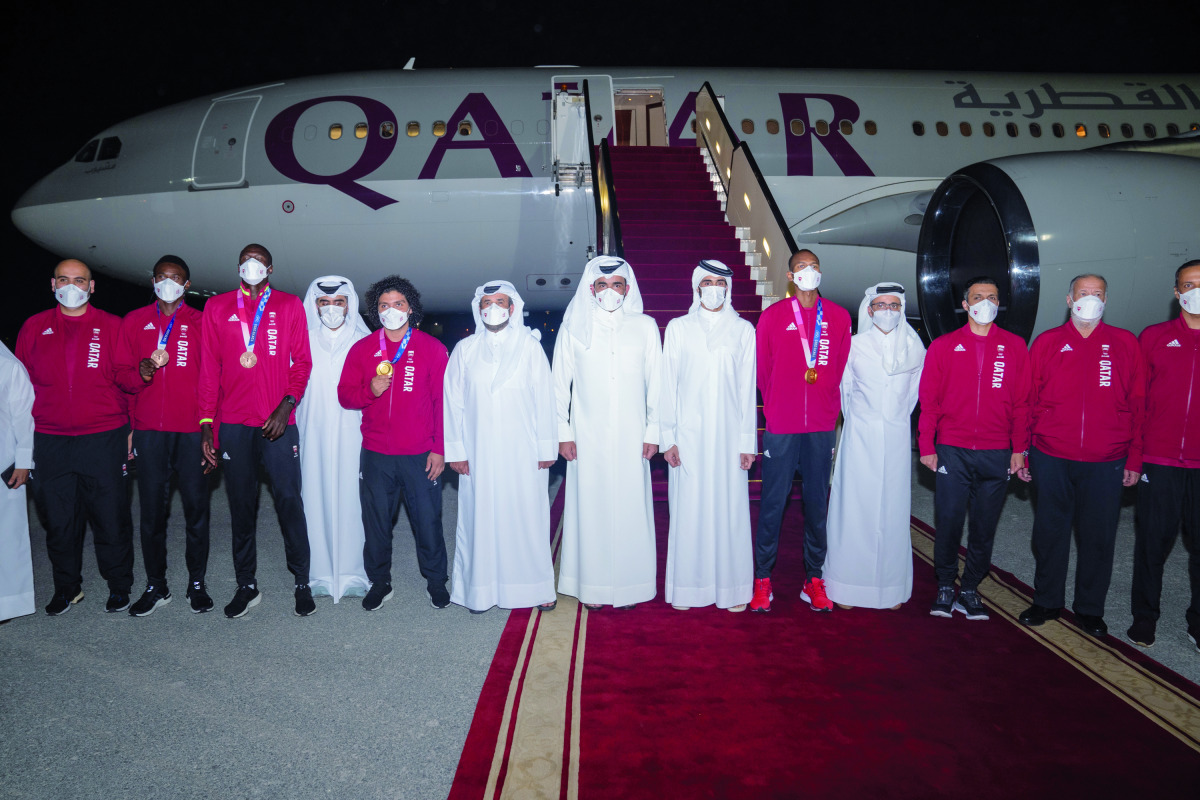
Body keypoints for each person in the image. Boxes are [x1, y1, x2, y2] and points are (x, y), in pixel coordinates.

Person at [1014, 274, 1145, 637]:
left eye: (1097, 293)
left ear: (1107, 299)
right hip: (1051, 454)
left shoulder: (1123, 343)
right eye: (1083, 293)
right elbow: (1027, 400)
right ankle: (1047, 601)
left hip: (1107, 459)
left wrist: (1135, 458)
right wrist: (1021, 450)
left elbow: (1138, 403)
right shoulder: (1048, 342)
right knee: (1049, 533)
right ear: (1069, 299)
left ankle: (1090, 609)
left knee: (1098, 537)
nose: (1091, 298)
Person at [198, 244, 315, 618]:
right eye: (247, 261)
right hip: (234, 424)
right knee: (241, 506)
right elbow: (208, 372)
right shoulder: (216, 308)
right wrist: (206, 427)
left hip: (278, 423)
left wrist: (286, 405)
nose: (253, 266)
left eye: (260, 262)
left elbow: (303, 364)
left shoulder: (289, 305)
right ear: (238, 267)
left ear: (270, 269)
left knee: (288, 501)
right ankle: (246, 585)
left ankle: (302, 581)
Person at [15, 259, 135, 615]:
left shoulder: (112, 326)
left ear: (91, 286)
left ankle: (118, 585)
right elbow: (19, 391)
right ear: (53, 284)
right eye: (64, 280)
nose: (72, 286)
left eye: (79, 280)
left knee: (110, 516)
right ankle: (67, 588)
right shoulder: (34, 327)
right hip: (50, 440)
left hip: (103, 436)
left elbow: (129, 382)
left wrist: (132, 429)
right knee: (58, 519)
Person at [918, 276, 1030, 621]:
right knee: (949, 521)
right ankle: (945, 584)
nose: (986, 303)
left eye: (992, 297)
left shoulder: (1014, 346)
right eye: (978, 297)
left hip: (997, 451)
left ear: (999, 304)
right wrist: (926, 444)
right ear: (965, 305)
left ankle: (970, 587)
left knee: (984, 525)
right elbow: (930, 401)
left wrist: (1019, 448)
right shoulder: (944, 346)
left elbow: (1023, 403)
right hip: (952, 448)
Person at [553, 255, 661, 610]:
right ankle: (594, 588)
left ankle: (630, 586)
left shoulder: (645, 326)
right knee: (591, 509)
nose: (610, 291)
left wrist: (653, 430)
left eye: (617, 285)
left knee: (631, 509)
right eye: (603, 285)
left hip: (633, 435)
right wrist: (562, 431)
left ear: (627, 289)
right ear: (591, 289)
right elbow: (559, 386)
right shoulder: (574, 327)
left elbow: (656, 383)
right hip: (587, 436)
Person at [444, 280, 558, 613]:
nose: (493, 307)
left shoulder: (529, 346)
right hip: (477, 450)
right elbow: (453, 404)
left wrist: (546, 448)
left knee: (526, 518)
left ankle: (536, 589)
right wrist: (457, 451)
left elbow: (545, 400)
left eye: (501, 301)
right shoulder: (464, 349)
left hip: (523, 450)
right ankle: (479, 591)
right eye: (487, 302)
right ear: (479, 309)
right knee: (480, 518)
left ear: (512, 307)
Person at [338, 276, 450, 611]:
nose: (391, 311)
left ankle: (436, 581)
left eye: (398, 304)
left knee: (427, 520)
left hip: (420, 453)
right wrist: (369, 391)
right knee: (375, 522)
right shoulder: (362, 348)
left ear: (410, 308)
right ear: (376, 311)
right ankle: (380, 582)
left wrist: (440, 448)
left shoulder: (431, 348)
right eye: (384, 306)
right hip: (376, 454)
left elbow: (442, 403)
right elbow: (345, 396)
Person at [752, 249, 851, 613]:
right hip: (782, 427)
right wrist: (779, 407)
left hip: (821, 429)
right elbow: (763, 373)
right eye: (801, 268)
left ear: (820, 273)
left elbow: (838, 369)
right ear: (791, 277)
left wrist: (825, 407)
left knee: (816, 506)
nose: (808, 272)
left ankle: (814, 578)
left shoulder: (838, 318)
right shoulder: (773, 317)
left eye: (813, 267)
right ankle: (763, 579)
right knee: (773, 505)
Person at [113, 256, 212, 616]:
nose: (167, 282)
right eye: (161, 276)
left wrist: (209, 428)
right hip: (150, 432)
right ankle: (156, 585)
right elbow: (121, 377)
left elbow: (211, 380)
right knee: (152, 513)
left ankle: (197, 583)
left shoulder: (201, 322)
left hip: (190, 432)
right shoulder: (134, 322)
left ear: (187, 285)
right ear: (152, 280)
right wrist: (140, 376)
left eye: (176, 278)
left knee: (196, 511)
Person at [660, 260, 756, 612]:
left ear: (729, 288)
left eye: (721, 282)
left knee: (729, 512)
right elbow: (667, 386)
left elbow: (747, 390)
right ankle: (688, 588)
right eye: (708, 282)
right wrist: (668, 436)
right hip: (688, 436)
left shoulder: (743, 330)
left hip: (730, 438)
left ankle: (731, 590)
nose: (715, 288)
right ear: (697, 287)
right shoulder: (679, 328)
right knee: (689, 510)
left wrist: (748, 442)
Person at [825, 283, 925, 610]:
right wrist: (865, 421)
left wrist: (892, 421)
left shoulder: (915, 346)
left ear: (902, 309)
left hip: (896, 437)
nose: (887, 311)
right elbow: (846, 393)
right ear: (869, 310)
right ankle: (847, 585)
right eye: (880, 305)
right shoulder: (854, 346)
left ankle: (889, 587)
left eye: (894, 305)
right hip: (859, 436)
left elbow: (912, 396)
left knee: (892, 510)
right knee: (854, 509)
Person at [1128, 260, 1200, 651]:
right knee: (1152, 543)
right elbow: (1137, 401)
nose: (1195, 291)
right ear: (1177, 293)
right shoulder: (1154, 337)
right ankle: (1144, 617)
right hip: (1160, 459)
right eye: (1189, 285)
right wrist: (1135, 455)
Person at [297, 276, 372, 603]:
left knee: (352, 500)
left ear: (349, 304)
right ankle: (319, 575)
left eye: (338, 302)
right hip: (311, 431)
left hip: (352, 432)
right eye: (324, 303)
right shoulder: (301, 339)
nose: (331, 309)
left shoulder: (363, 340)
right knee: (313, 497)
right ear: (314, 306)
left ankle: (354, 572)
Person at [0, 340, 35, 623]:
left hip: (4, 463)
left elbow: (24, 418)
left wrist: (24, 462)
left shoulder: (8, 365)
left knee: (7, 536)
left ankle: (7, 603)